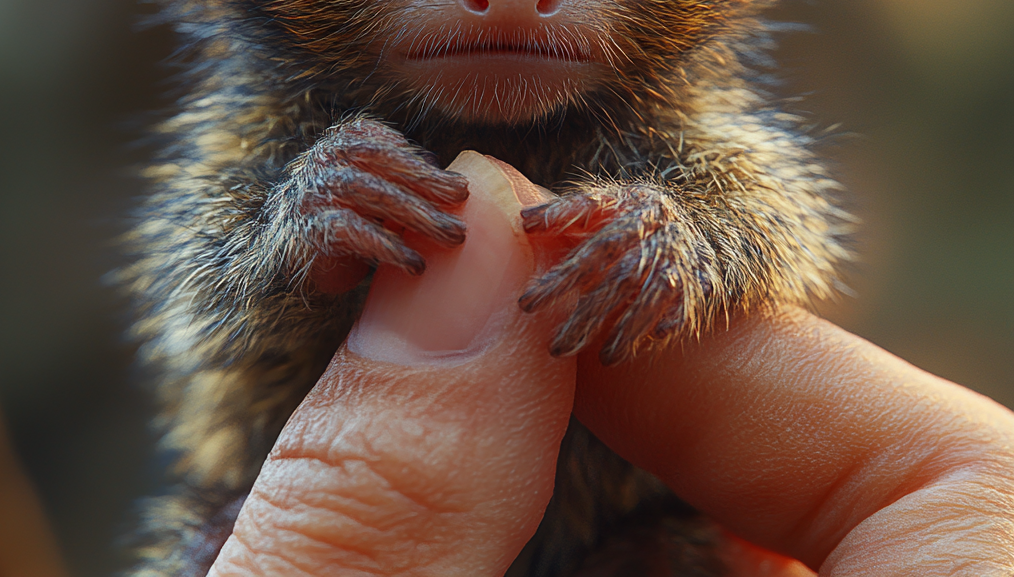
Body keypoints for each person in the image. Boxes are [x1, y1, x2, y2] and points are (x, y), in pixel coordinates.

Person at [207, 154, 1014, 576]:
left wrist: (673, 235)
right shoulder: (268, 144)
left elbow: (774, 241)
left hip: (634, 545)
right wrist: (296, 218)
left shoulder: (688, 141)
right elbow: (206, 316)